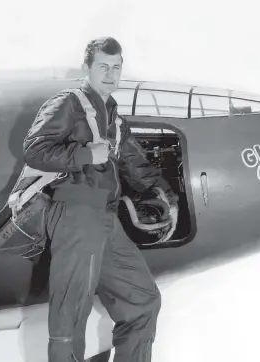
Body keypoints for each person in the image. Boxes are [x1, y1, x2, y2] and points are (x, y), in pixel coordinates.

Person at [22, 37, 179, 362]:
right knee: (70, 316)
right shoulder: (68, 103)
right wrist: (84, 154)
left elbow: (134, 164)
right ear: (87, 69)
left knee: (142, 301)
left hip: (105, 219)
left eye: (116, 67)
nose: (110, 74)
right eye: (103, 67)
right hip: (74, 213)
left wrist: (165, 195)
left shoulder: (112, 117)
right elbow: (35, 150)